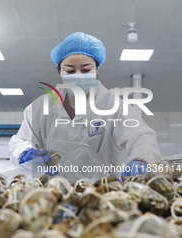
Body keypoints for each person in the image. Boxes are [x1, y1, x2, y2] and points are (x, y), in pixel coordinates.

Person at [9, 32, 162, 181]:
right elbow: (20, 141)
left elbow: (142, 138)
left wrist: (140, 160)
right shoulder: (41, 108)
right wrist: (24, 153)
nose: (78, 75)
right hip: (52, 197)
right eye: (70, 70)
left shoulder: (115, 107)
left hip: (103, 196)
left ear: (97, 70)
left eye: (86, 70)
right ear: (60, 72)